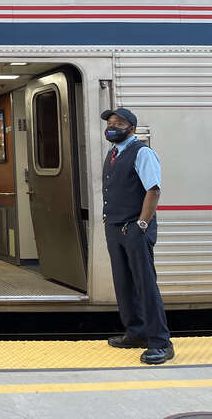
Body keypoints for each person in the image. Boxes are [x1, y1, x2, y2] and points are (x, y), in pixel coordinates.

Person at [101, 108, 173, 364]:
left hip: (134, 228)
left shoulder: (141, 152)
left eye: (118, 123)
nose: (112, 127)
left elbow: (153, 191)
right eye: (110, 123)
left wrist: (142, 224)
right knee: (124, 284)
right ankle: (136, 332)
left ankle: (160, 342)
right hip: (115, 228)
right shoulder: (113, 153)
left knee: (144, 284)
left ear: (131, 127)